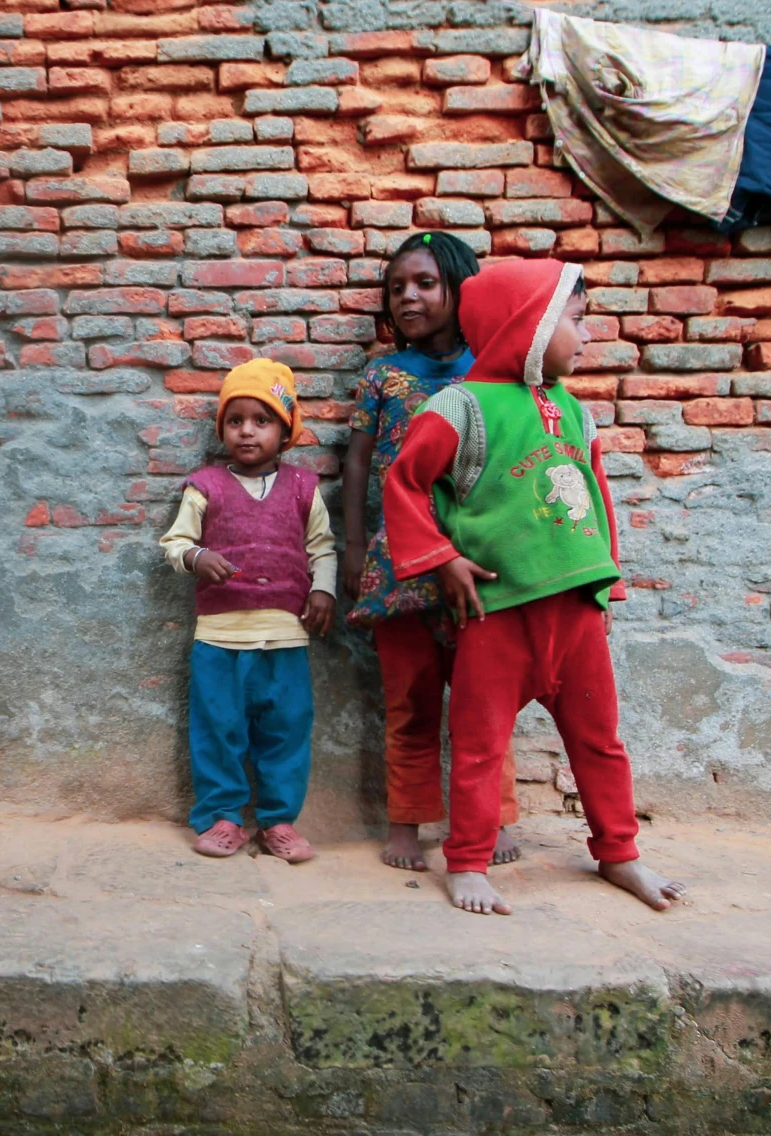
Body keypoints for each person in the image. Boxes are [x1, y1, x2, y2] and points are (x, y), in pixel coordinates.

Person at [382, 258, 686, 917]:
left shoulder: (576, 413)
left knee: (601, 739)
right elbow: (404, 482)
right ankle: (467, 862)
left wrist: (609, 585)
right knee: (480, 744)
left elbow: (598, 497)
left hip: (576, 614)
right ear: (530, 324)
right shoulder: (462, 406)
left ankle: (619, 851)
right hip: (499, 614)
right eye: (574, 322)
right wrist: (441, 557)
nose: (584, 337)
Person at [340, 232, 522, 873]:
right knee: (409, 698)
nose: (408, 297)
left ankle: (490, 817)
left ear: (459, 288)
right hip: (397, 564)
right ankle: (405, 824)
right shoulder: (384, 375)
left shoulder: (493, 370)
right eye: (397, 289)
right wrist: (354, 547)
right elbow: (359, 462)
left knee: (485, 700)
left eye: (424, 284)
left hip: (479, 560)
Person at [160, 358, 337, 863]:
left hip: (285, 638)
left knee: (286, 729)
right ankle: (222, 818)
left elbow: (321, 547)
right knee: (218, 729)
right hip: (219, 639)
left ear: (285, 431)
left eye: (262, 421)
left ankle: (279, 822)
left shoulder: (305, 489)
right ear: (222, 430)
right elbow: (175, 542)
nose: (246, 431)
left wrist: (322, 592)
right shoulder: (205, 486)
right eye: (235, 421)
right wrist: (197, 556)